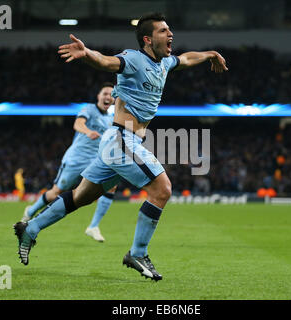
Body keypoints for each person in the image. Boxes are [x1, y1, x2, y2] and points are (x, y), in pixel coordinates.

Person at [13, 12, 228, 281]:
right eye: (163, 31)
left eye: (170, 29)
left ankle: (30, 229)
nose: (170, 34)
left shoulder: (163, 64)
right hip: (120, 140)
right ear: (148, 39)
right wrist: (87, 53)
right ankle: (138, 252)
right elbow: (107, 62)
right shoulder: (135, 59)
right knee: (162, 189)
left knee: (81, 197)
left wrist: (210, 54)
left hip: (121, 142)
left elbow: (185, 59)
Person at [21, 83, 117, 242]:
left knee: (111, 185)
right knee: (56, 193)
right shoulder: (89, 109)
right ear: (98, 96)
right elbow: (78, 124)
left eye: (111, 95)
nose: (108, 97)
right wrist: (88, 132)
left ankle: (93, 226)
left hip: (95, 160)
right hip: (76, 159)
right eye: (105, 93)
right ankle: (30, 211)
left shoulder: (111, 118)